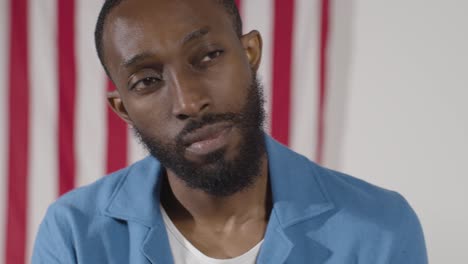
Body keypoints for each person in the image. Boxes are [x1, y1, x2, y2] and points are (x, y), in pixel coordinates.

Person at [32, 0, 428, 263]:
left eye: (208, 56)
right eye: (147, 80)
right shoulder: (74, 235)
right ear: (123, 109)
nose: (188, 102)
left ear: (250, 54)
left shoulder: (380, 228)